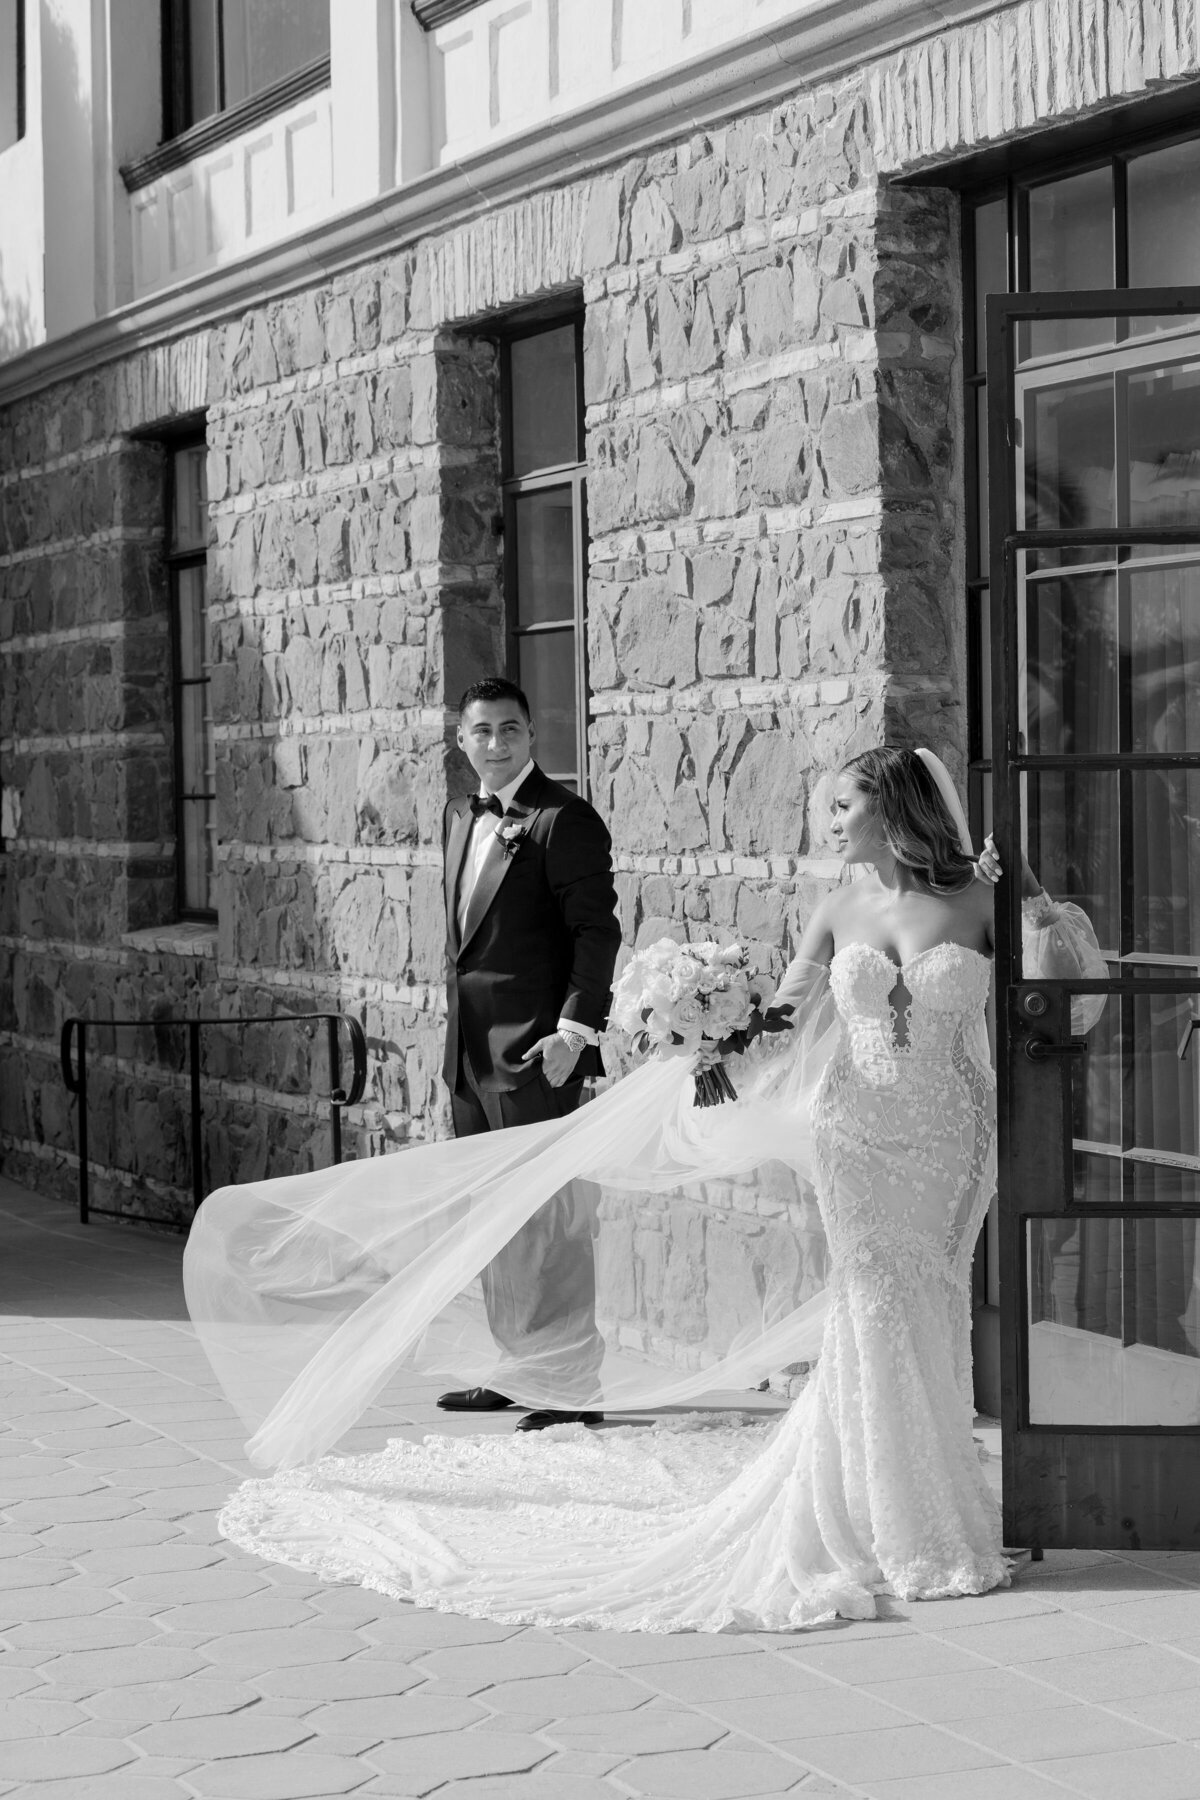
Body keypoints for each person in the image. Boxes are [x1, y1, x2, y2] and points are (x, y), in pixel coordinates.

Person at [184, 745, 1105, 1633]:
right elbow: (783, 1020)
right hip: (857, 1135)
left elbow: (1063, 999)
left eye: (844, 804)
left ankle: (934, 1497)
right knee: (874, 1303)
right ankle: (894, 1517)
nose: (830, 819)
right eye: (830, 806)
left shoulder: (980, 894)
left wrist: (1030, 901)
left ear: (896, 806)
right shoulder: (835, 906)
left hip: (953, 1138)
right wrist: (709, 1028)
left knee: (932, 1300)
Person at [437, 677, 621, 1431]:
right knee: (496, 1220)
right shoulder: (459, 815)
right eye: (481, 731)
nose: (496, 742)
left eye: (510, 729)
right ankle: (516, 1368)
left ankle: (571, 1387)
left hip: (539, 1053)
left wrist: (575, 1033)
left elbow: (596, 933)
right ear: (463, 740)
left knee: (551, 1222)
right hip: (470, 1056)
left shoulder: (563, 819)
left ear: (532, 736)